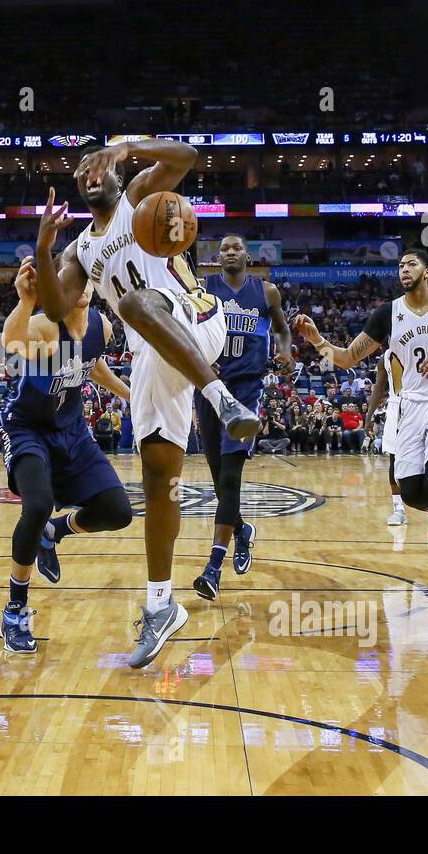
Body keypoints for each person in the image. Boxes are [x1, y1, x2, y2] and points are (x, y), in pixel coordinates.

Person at [32, 136, 260, 668]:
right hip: (153, 355)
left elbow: (187, 159)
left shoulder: (139, 196)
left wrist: (128, 146)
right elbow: (54, 305)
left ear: (112, 172)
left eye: (97, 163)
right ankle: (162, 605)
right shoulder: (79, 249)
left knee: (135, 301)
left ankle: (222, 399)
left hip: (198, 319)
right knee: (160, 477)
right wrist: (43, 249)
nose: (91, 173)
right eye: (81, 169)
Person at [294, 247, 428, 596]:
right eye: (400, 264)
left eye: (411, 263)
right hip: (412, 406)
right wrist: (318, 341)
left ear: (427, 272)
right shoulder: (388, 314)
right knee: (412, 492)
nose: (404, 268)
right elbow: (347, 358)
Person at [0, 259, 133, 652]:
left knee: (117, 511)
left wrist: (131, 397)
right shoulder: (42, 326)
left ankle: (55, 532)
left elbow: (93, 366)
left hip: (72, 432)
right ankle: (15, 609)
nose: (83, 285)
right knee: (36, 504)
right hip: (27, 427)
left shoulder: (102, 327)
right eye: (71, 280)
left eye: (86, 278)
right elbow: (10, 342)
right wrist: (24, 301)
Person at [191, 235, 292, 601]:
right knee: (220, 480)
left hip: (246, 392)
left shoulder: (266, 292)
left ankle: (213, 567)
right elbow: (188, 329)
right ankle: (242, 531)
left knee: (231, 476)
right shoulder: (203, 288)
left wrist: (285, 352)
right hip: (209, 388)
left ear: (247, 255)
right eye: (224, 249)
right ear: (216, 258)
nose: (230, 252)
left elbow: (281, 329)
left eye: (236, 248)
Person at [365, 351, 406, 525]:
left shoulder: (422, 345)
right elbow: (378, 389)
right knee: (394, 461)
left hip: (423, 405)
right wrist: (368, 417)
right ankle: (398, 509)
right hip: (396, 407)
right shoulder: (386, 358)